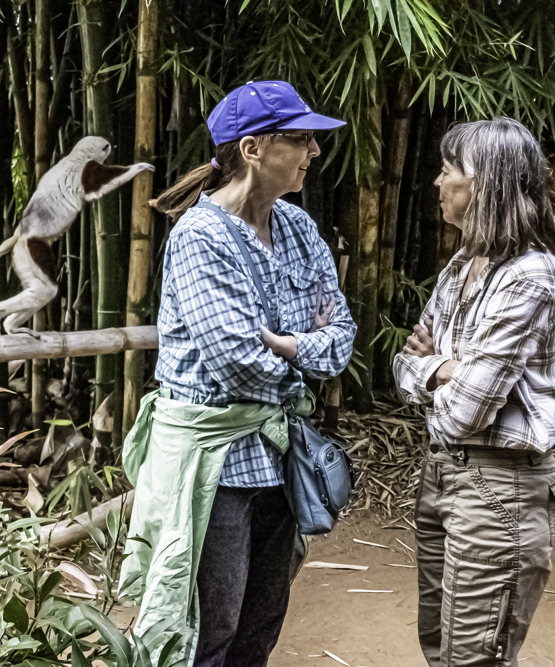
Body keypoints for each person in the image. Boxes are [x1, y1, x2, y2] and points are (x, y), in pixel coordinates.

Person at [120, 81, 356, 666]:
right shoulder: (200, 237)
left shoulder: (298, 227)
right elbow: (236, 364)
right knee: (209, 628)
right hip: (215, 462)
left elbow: (342, 337)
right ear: (252, 149)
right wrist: (306, 352)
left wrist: (288, 345)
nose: (314, 151)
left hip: (277, 459)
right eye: (300, 139)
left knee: (261, 623)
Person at [393, 117, 555, 666]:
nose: (437, 181)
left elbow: (464, 414)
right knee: (441, 646)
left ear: (485, 183)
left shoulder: (531, 276)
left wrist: (435, 368)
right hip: (443, 473)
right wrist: (446, 370)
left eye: (448, 169)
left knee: (474, 657)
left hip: (500, 487)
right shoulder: (462, 266)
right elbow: (402, 367)